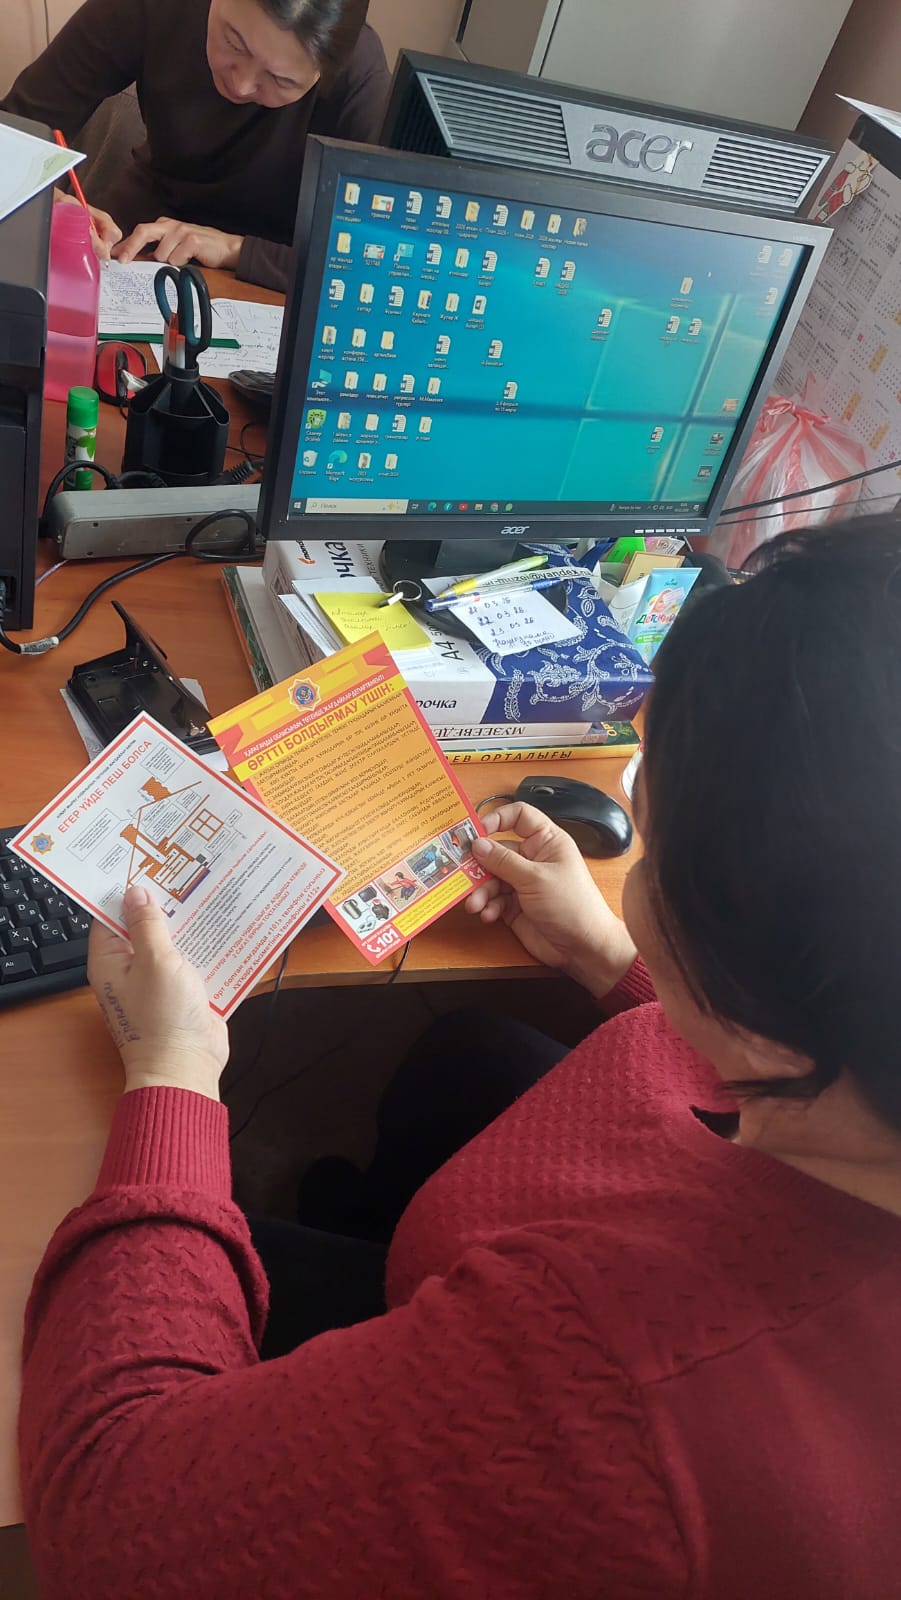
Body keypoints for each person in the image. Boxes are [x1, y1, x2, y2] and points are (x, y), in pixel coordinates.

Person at [19, 519, 901, 1598]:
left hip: (526, 1387)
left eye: (650, 837)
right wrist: (616, 960)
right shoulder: (860, 1077)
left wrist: (171, 1065)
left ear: (753, 950)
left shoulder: (615, 1387)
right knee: (468, 1055)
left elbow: (109, 1526)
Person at [1, 0, 390, 290]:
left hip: (279, 268)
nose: (241, 85)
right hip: (143, 232)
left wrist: (237, 250)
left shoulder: (360, 77)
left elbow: (374, 263)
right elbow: (14, 129)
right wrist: (49, 203)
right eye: (234, 43)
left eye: (280, 80)